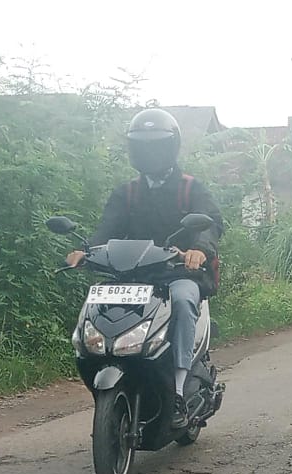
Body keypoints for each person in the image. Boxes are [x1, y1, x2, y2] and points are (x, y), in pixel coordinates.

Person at [67, 108, 224, 428]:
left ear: (170, 146)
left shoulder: (190, 188)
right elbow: (106, 229)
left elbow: (211, 223)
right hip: (134, 276)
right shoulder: (126, 192)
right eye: (142, 145)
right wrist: (85, 252)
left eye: (156, 145)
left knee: (182, 300)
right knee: (98, 301)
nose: (149, 151)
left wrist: (199, 250)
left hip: (179, 273)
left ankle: (178, 390)